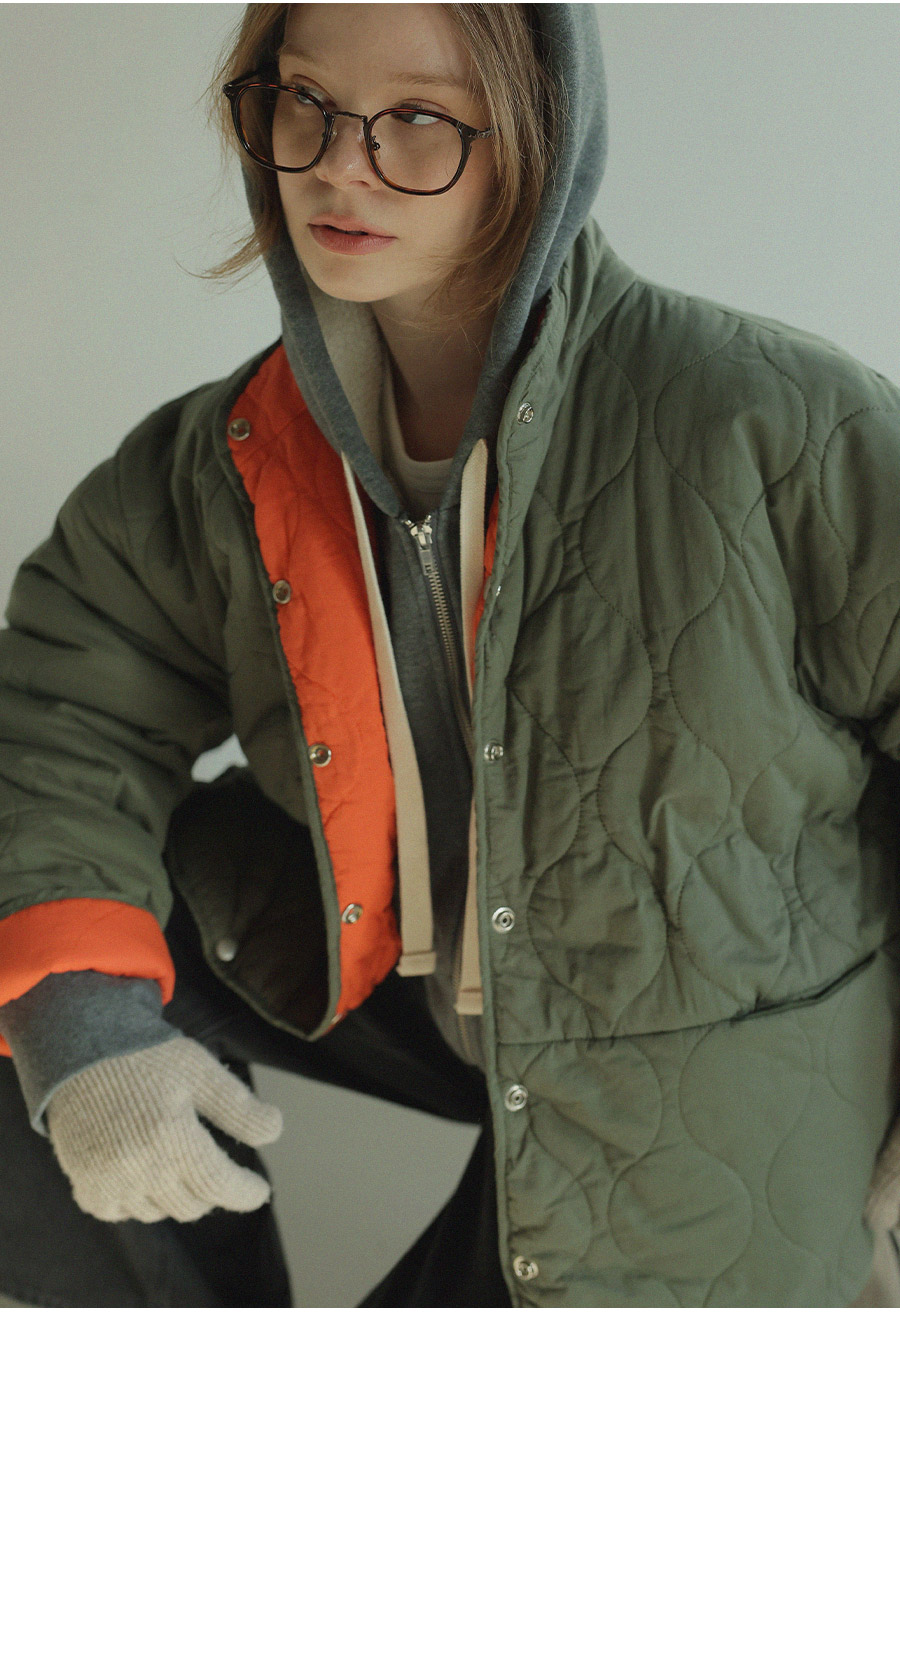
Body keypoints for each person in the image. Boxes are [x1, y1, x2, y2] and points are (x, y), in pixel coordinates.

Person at [1, 2, 899, 1309]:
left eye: (418, 117)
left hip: (699, 1063)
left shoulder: (776, 424)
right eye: (302, 101)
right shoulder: (232, 456)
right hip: (394, 979)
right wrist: (83, 1030)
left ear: (542, 134)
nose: (336, 164)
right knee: (29, 983)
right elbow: (64, 707)